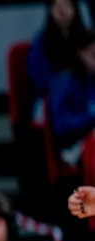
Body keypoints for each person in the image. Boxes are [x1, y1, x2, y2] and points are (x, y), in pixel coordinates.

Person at [28, 0, 87, 121]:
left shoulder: (85, 39)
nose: (62, 11)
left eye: (66, 6)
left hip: (83, 96)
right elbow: (40, 78)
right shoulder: (41, 43)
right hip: (52, 98)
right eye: (57, 7)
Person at [48, 29, 95, 167]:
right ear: (82, 53)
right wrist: (91, 117)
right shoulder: (64, 80)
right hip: (73, 145)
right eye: (94, 55)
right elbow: (61, 126)